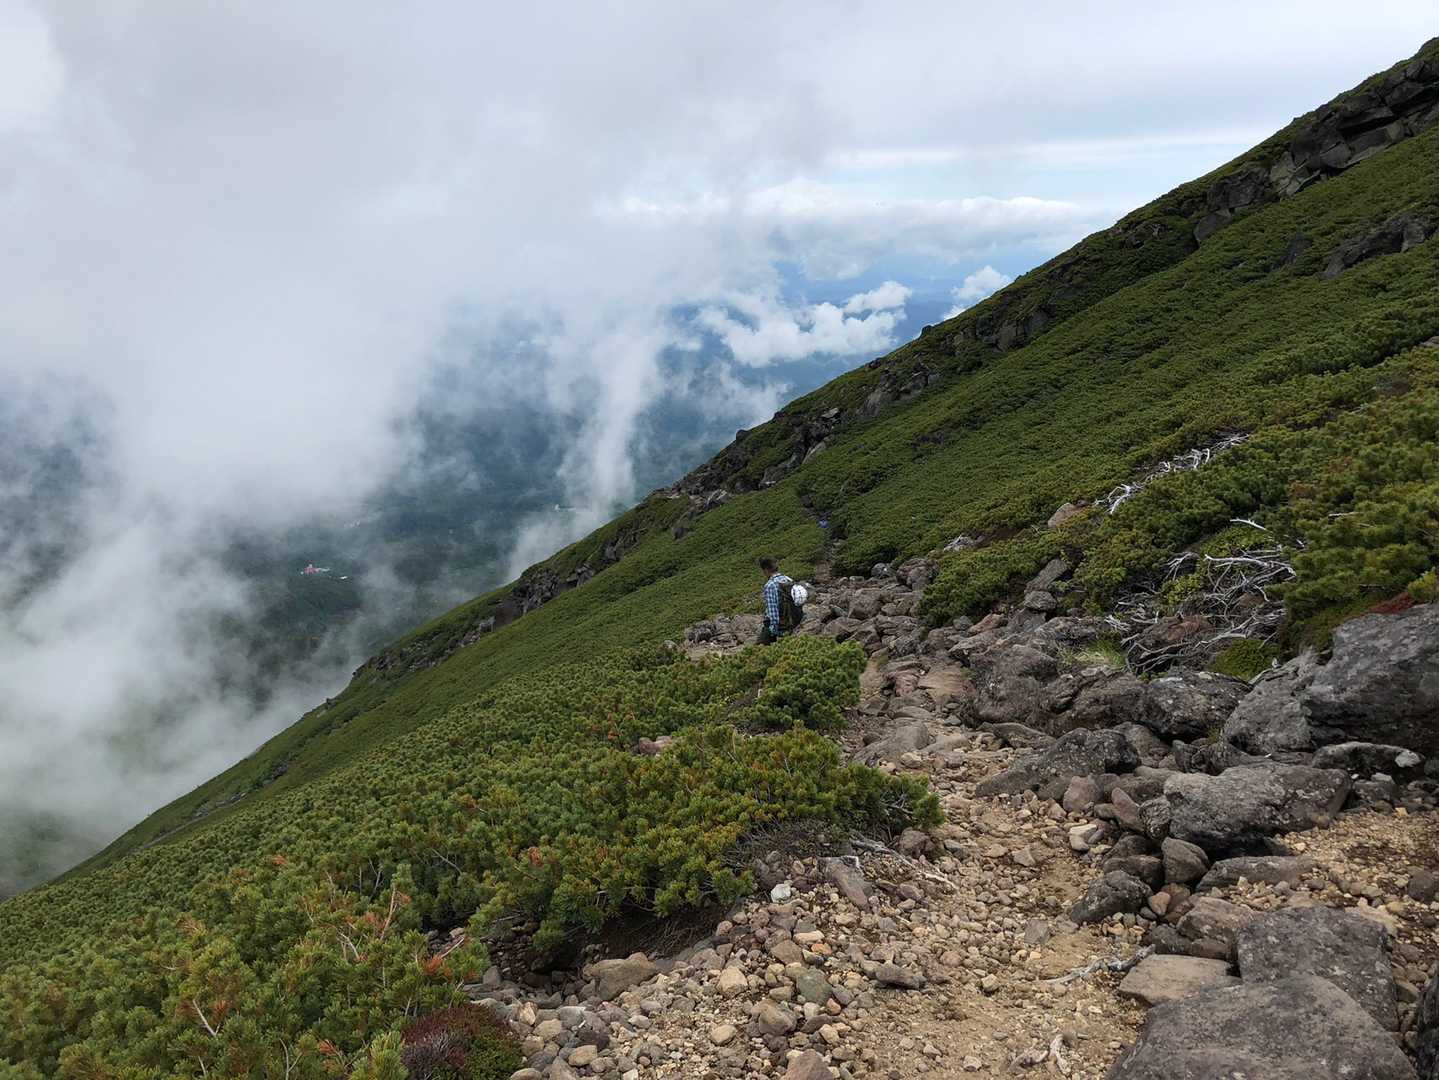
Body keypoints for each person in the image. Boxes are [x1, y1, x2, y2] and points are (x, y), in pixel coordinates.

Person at [758, 555, 793, 645]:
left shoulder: (770, 585)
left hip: (780, 627)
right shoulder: (788, 579)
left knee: (759, 648)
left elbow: (773, 613)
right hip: (791, 622)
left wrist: (773, 632)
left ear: (766, 570)